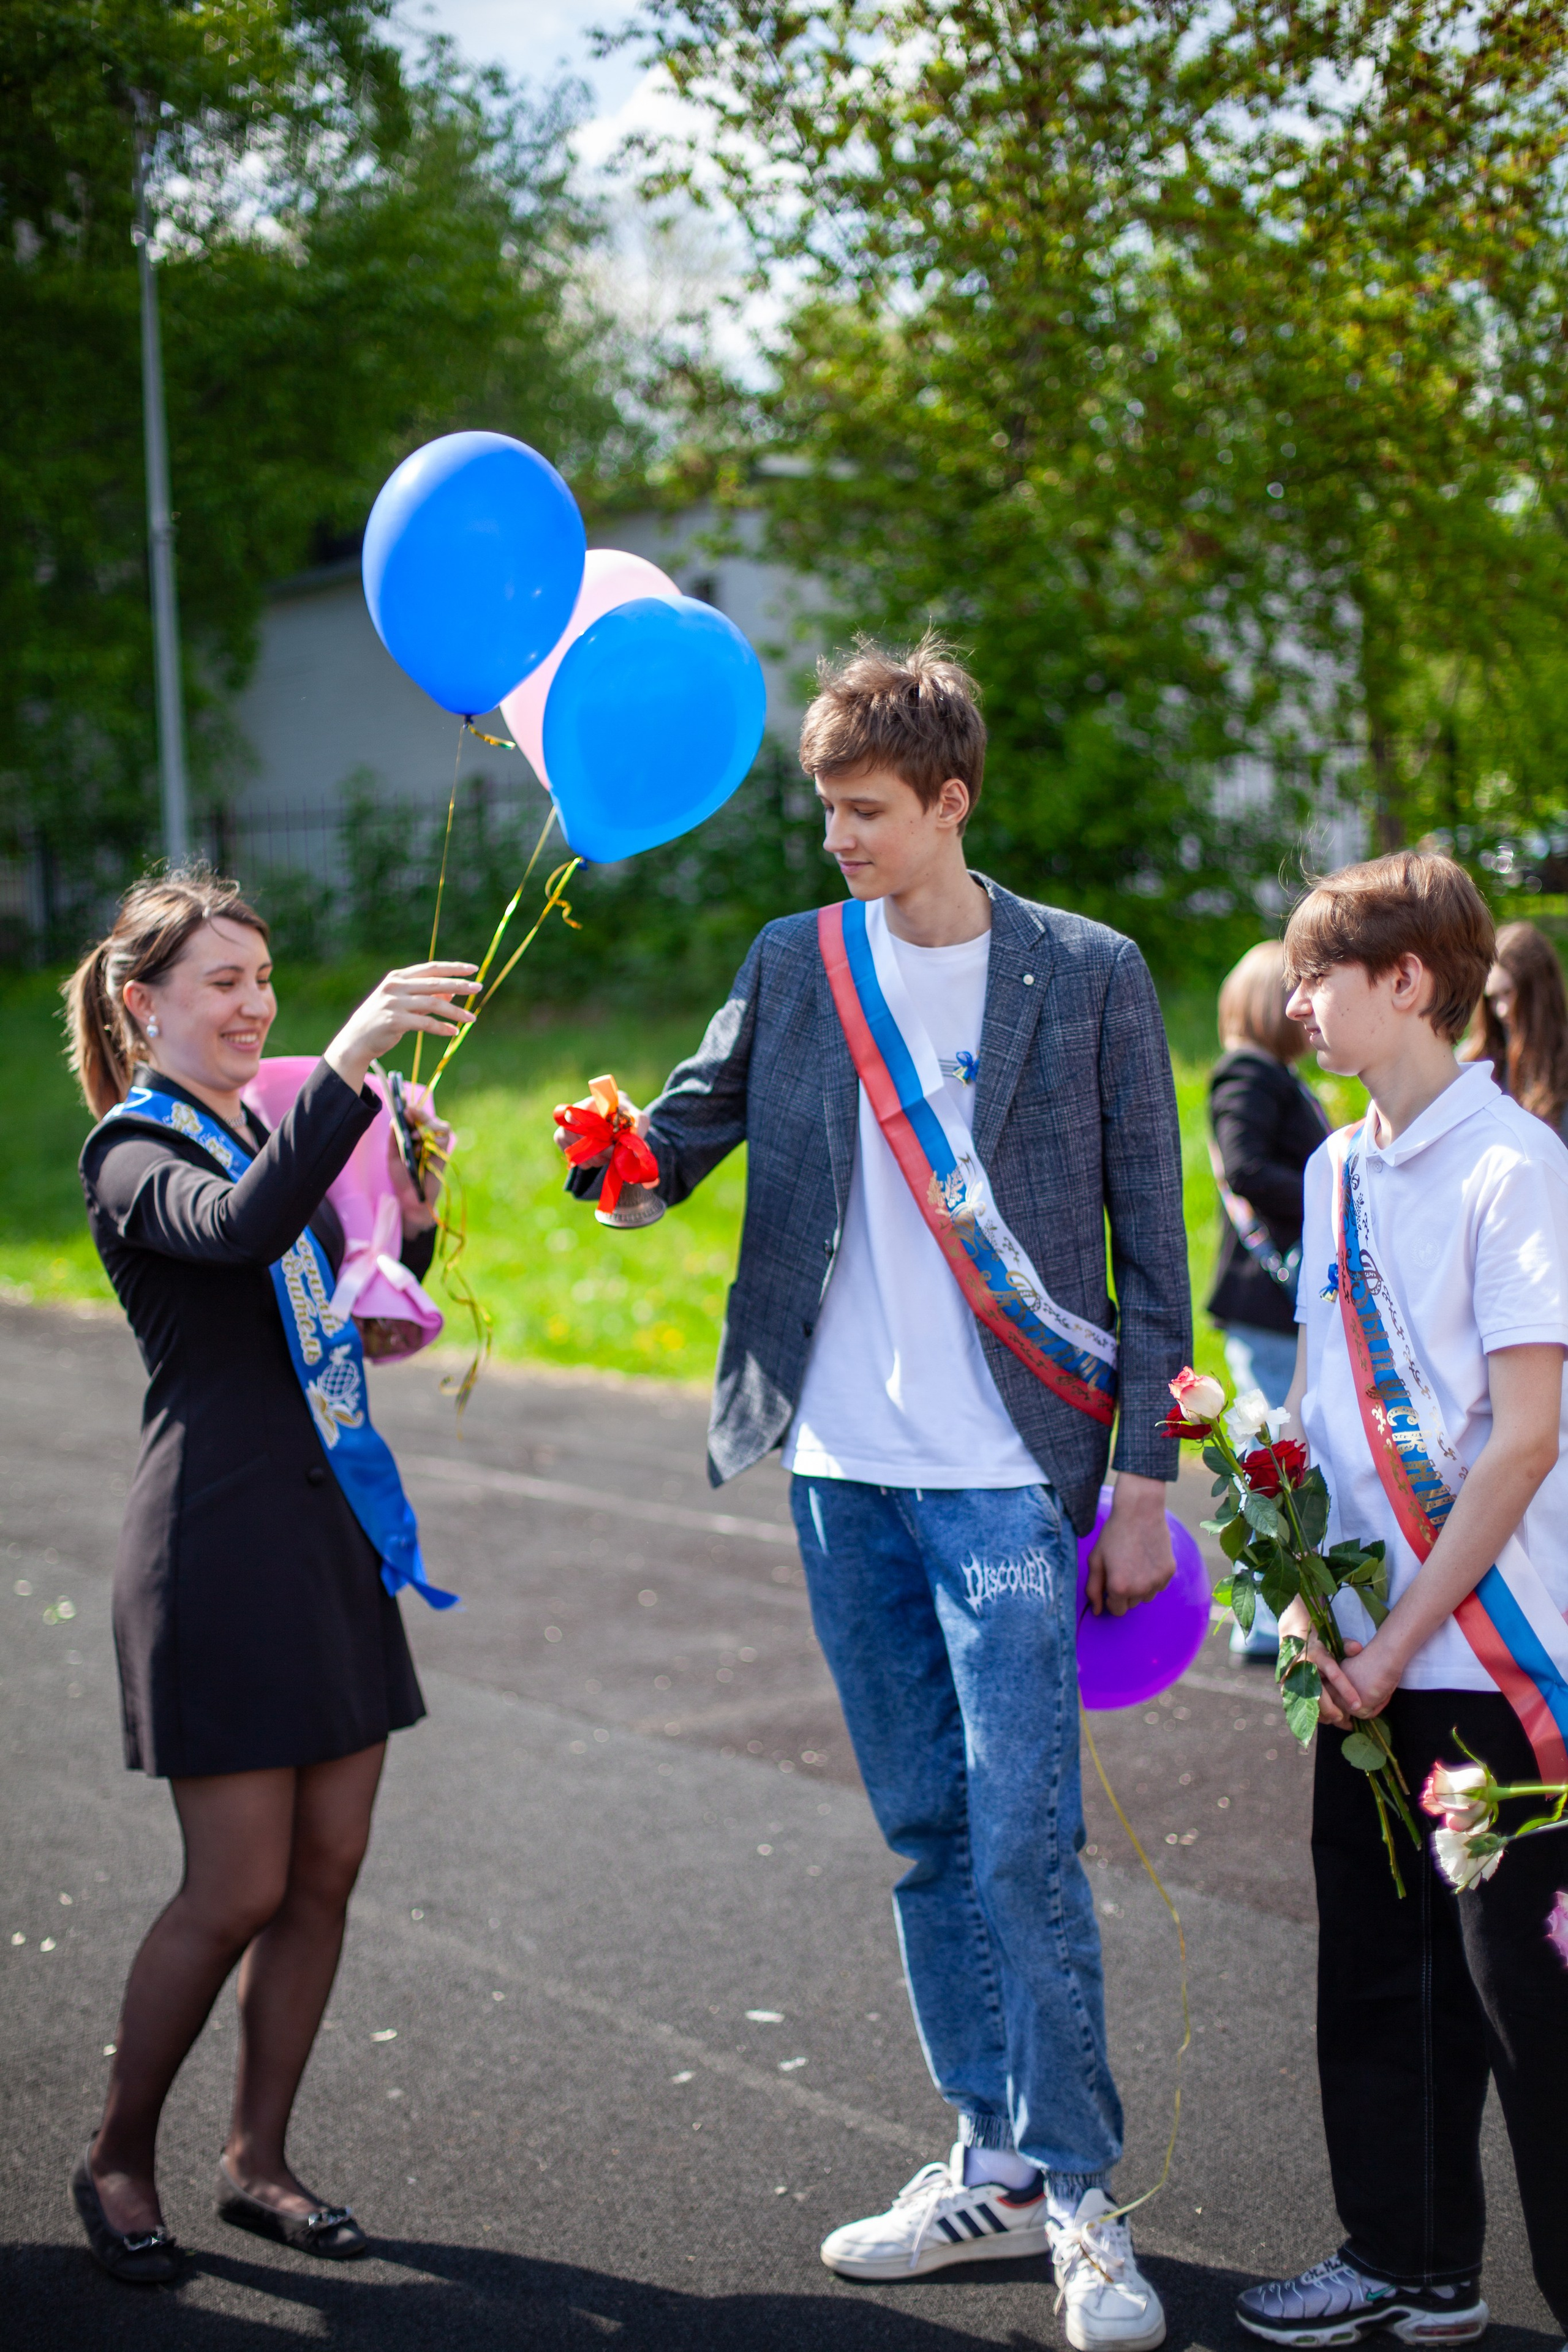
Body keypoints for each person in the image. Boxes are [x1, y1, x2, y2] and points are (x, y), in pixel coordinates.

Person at [558, 638, 1188, 2351]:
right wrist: (609, 1158)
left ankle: (1078, 2197)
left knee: (1028, 1846)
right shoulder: (792, 961)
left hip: (1007, 1480)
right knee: (926, 1835)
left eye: (866, 811)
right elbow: (672, 1148)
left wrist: (1145, 1479)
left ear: (951, 802)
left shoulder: (1091, 973)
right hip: (840, 1476)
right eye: (825, 809)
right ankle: (986, 2153)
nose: (837, 837)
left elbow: (1155, 1234)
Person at [64, 868, 475, 2285]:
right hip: (216, 1548)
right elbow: (235, 1229)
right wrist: (351, 1063)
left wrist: (409, 1220)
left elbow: (325, 1306)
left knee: (325, 1872)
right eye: (222, 983)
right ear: (144, 1005)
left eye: (264, 978)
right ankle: (119, 2153)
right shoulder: (131, 1148)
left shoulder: (259, 1125)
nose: (255, 1005)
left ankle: (258, 2158)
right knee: (233, 1884)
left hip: (326, 1532)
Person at [1237, 850, 1568, 2345]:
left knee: (1532, 2011)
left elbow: (1524, 1434)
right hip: (1365, 1649)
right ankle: (1406, 2254)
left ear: (1406, 982)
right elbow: (1308, 1404)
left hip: (1496, 1660)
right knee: (1374, 1974)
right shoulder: (1329, 1167)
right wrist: (1304, 1598)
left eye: (1315, 974)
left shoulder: (1516, 1168)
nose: (1292, 1000)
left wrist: (1401, 1633)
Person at [1205, 941, 1329, 1655]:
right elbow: (1247, 1165)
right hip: (1266, 1300)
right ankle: (1260, 1624)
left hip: (1276, 1301)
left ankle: (1274, 1616)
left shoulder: (1272, 1074)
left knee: (1280, 1459)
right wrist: (1332, 1186)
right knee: (1269, 1462)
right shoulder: (1249, 1074)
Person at [1459, 916, 1568, 1142]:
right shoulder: (1474, 1059)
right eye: (1493, 997)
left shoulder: (1562, 1062)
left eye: (1509, 993)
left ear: (1538, 992)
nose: (1501, 1010)